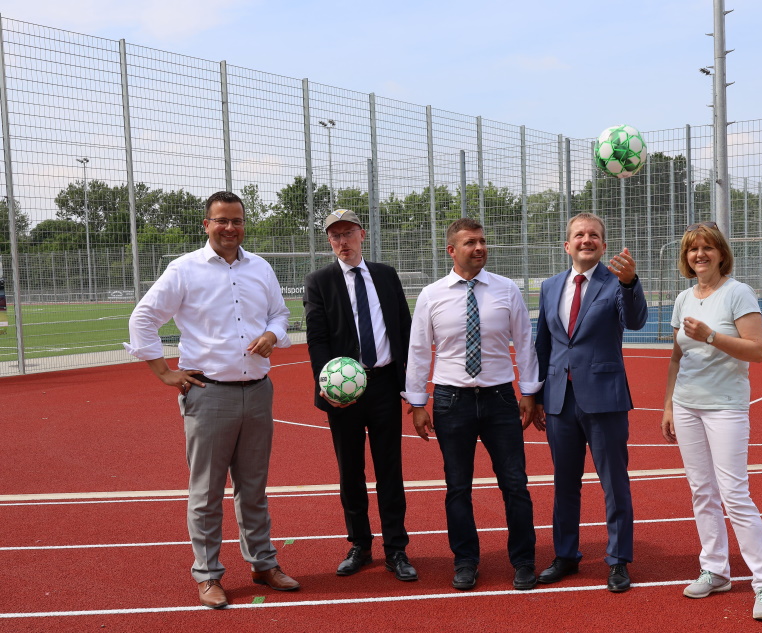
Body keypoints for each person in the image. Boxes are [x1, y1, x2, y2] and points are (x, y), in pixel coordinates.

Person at [124, 191, 300, 609]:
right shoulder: (184, 270)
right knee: (206, 493)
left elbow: (280, 313)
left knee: (253, 488)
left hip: (258, 392)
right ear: (207, 224)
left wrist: (274, 334)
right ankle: (208, 575)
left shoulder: (260, 268)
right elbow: (143, 318)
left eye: (237, 220)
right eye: (221, 220)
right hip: (209, 394)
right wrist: (164, 372)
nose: (230, 228)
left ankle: (262, 563)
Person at [402, 217, 542, 592]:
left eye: (482, 241)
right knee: (457, 486)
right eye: (470, 243)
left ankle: (524, 561)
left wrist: (529, 393)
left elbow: (524, 343)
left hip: (499, 398)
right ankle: (465, 560)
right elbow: (418, 351)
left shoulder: (507, 289)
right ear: (451, 250)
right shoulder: (431, 295)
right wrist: (417, 403)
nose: (479, 248)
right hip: (451, 400)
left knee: (515, 484)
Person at [659, 221, 762, 621]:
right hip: (687, 404)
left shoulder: (738, 292)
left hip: (726, 405)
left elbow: (757, 351)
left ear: (721, 253)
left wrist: (711, 336)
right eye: (693, 250)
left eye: (707, 248)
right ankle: (715, 569)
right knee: (701, 491)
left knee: (734, 494)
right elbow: (677, 356)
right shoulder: (683, 298)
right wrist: (668, 406)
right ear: (686, 257)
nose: (700, 255)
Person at [533, 212, 648, 593]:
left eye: (594, 235)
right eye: (579, 235)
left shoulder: (616, 282)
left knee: (613, 483)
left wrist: (631, 283)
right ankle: (565, 555)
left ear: (603, 244)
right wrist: (534, 397)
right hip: (558, 401)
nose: (587, 240)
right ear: (567, 245)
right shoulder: (549, 286)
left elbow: (635, 322)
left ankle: (618, 561)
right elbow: (544, 345)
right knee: (564, 483)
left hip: (604, 399)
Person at [303, 209, 417, 582]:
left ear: (362, 235)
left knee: (390, 471)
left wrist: (410, 384)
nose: (342, 242)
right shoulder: (319, 282)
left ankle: (396, 549)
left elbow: (404, 326)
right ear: (329, 241)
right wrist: (327, 384)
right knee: (350, 472)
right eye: (334, 236)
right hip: (343, 392)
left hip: (383, 384)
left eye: (347, 233)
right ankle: (359, 545)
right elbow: (317, 339)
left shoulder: (385, 275)